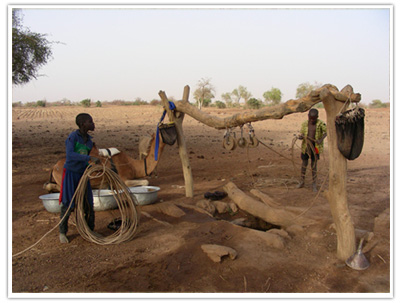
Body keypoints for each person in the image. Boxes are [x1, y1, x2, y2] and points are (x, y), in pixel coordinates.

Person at [59, 113, 100, 243]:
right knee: (68, 203)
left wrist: (88, 165)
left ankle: (90, 230)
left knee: (88, 202)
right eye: (90, 122)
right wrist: (89, 158)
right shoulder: (73, 137)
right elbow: (70, 155)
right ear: (83, 124)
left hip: (82, 174)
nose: (93, 124)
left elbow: (82, 158)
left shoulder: (89, 140)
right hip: (71, 173)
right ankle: (62, 232)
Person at [297, 108, 327, 192]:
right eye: (311, 118)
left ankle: (314, 184)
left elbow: (327, 131)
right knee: (304, 164)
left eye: (314, 118)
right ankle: (302, 181)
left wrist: (320, 140)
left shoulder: (320, 124)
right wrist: (300, 137)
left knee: (314, 166)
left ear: (317, 117)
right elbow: (302, 133)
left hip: (315, 148)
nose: (312, 120)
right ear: (308, 116)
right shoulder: (304, 124)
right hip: (305, 147)